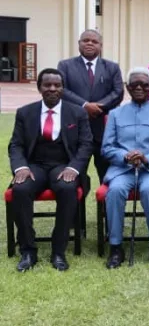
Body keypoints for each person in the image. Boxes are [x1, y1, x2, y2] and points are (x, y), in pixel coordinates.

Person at [8, 69, 94, 272]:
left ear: (63, 88)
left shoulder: (77, 112)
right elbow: (16, 145)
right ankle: (28, 250)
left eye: (57, 85)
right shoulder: (25, 112)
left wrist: (73, 168)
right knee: (19, 190)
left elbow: (86, 144)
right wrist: (20, 167)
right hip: (34, 166)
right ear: (39, 88)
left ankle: (58, 251)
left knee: (67, 188)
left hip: (63, 166)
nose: (52, 89)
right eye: (47, 85)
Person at [101, 67, 149, 269]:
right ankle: (116, 247)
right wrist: (124, 156)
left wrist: (146, 158)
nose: (139, 88)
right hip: (122, 169)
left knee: (148, 189)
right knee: (115, 190)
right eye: (134, 84)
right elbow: (107, 148)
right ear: (127, 87)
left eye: (144, 84)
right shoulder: (115, 114)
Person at [58, 29, 124, 183]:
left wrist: (98, 107)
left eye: (94, 41)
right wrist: (85, 105)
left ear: (100, 45)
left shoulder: (112, 67)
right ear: (79, 43)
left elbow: (118, 92)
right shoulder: (65, 66)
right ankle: (77, 208)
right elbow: (62, 89)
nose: (89, 43)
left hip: (104, 131)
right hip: (75, 130)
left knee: (107, 176)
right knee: (75, 177)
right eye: (85, 40)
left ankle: (105, 208)